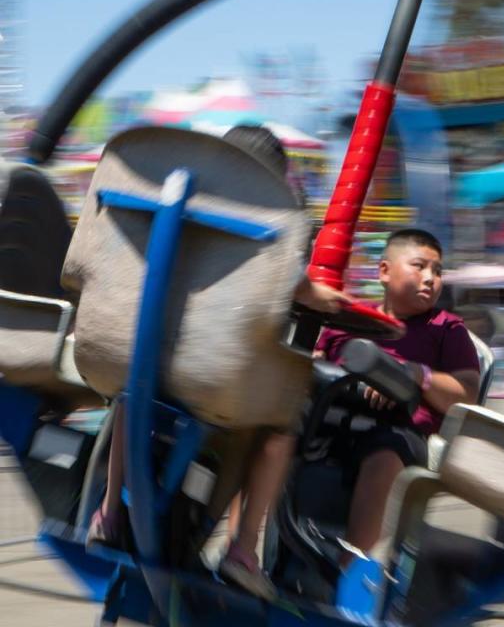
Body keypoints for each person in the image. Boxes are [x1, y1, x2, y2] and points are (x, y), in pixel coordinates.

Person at [86, 125, 352, 600]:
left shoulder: (169, 204)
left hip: (140, 360)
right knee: (280, 431)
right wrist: (324, 297)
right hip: (215, 374)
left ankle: (107, 511)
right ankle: (243, 547)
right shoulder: (264, 218)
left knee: (129, 397)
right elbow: (295, 285)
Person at [314, 228, 480, 565]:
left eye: (437, 271)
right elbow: (314, 366)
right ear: (384, 271)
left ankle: (352, 579)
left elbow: (467, 396)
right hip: (331, 422)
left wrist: (415, 375)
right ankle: (239, 551)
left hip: (401, 433)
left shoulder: (446, 329)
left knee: (384, 454)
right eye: (419, 266)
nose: (430, 278)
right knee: (273, 426)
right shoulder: (347, 319)